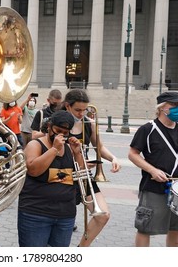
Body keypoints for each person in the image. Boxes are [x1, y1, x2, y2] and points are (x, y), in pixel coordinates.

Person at [128, 91, 178, 247]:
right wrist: (152, 170)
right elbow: (133, 154)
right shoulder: (148, 129)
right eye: (174, 105)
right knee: (145, 228)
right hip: (154, 186)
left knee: (176, 229)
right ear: (162, 108)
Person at [62, 89, 121, 246]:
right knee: (60, 221)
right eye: (78, 110)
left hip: (83, 174)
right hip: (60, 175)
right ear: (67, 106)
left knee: (103, 215)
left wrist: (113, 158)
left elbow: (98, 146)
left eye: (84, 110)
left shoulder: (88, 123)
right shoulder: (58, 121)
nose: (82, 113)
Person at [18, 110, 84, 247]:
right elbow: (33, 170)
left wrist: (77, 154)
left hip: (65, 214)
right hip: (36, 213)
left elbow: (79, 176)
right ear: (49, 126)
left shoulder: (68, 148)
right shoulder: (35, 145)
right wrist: (54, 150)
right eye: (57, 131)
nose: (61, 136)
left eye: (65, 133)